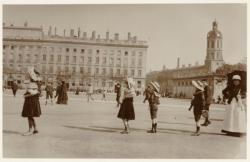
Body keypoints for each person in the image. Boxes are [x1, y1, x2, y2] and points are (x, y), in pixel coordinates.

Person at [21, 66, 42, 136]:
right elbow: (31, 91)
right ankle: (35, 129)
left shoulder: (36, 83)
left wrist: (27, 95)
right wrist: (26, 94)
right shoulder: (34, 82)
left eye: (29, 74)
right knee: (30, 115)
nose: (28, 76)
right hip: (30, 101)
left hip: (32, 101)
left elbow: (37, 93)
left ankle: (30, 130)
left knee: (29, 115)